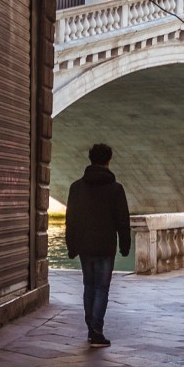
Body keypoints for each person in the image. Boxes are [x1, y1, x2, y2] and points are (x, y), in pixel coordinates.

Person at [65, 142, 132, 347]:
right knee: (102, 289)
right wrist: (125, 244)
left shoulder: (76, 188)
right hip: (105, 246)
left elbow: (71, 218)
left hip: (85, 246)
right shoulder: (116, 189)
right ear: (108, 161)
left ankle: (90, 328)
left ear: (91, 159)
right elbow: (123, 219)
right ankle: (96, 330)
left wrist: (71, 245)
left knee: (89, 286)